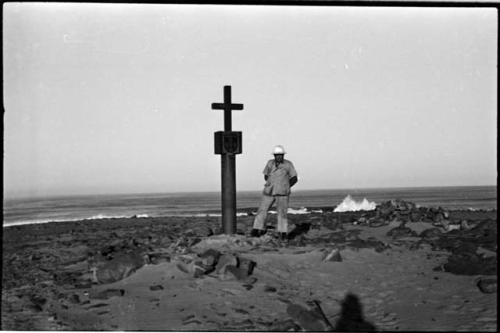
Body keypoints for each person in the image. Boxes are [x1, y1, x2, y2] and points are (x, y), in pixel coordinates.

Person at [250, 145, 298, 241]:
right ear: (274, 156)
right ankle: (256, 230)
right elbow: (266, 175)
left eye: (281, 155)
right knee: (262, 210)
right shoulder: (270, 163)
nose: (279, 157)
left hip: (282, 193)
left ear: (283, 155)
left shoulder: (288, 164)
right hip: (269, 191)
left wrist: (286, 186)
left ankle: (282, 233)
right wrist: (271, 183)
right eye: (277, 155)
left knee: (282, 213)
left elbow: (294, 178)